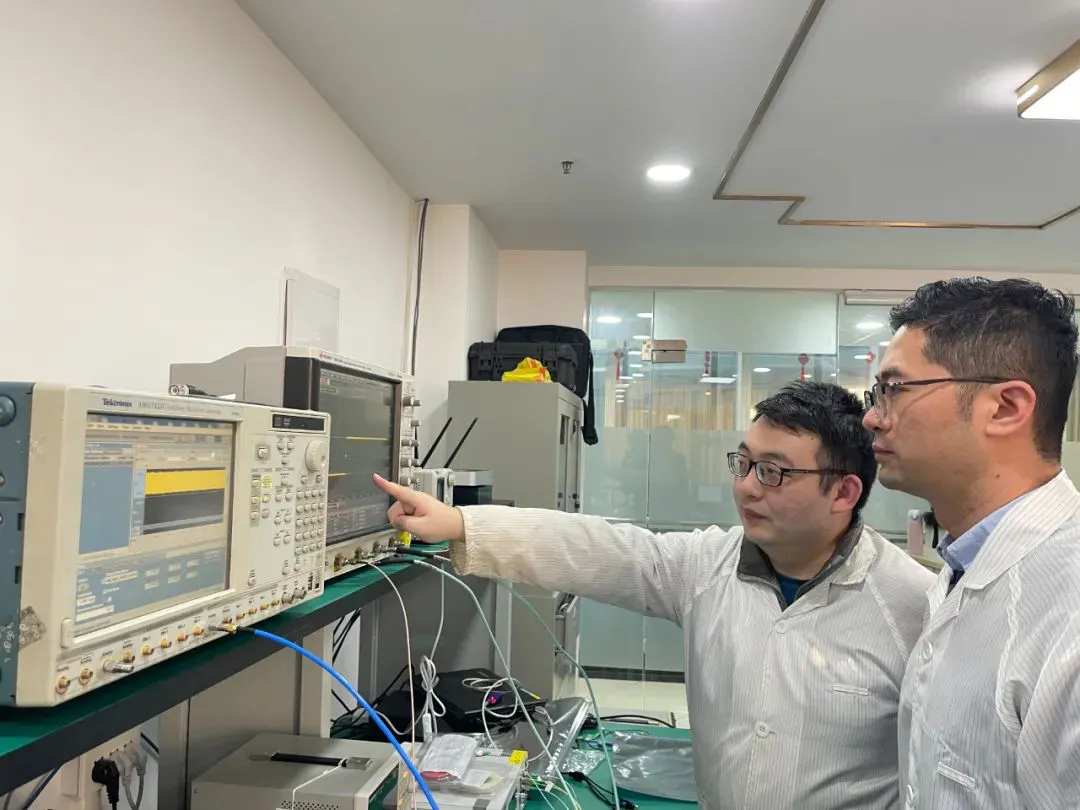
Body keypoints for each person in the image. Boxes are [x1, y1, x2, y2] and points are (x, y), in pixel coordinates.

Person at [377, 382, 935, 809]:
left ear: (843, 492)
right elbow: (602, 549)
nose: (745, 487)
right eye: (744, 463)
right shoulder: (707, 566)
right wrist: (459, 523)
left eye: (773, 472)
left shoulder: (914, 605)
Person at [863, 277, 1080, 809]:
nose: (871, 417)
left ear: (1005, 407)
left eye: (895, 389)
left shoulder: (1069, 610)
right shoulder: (963, 567)